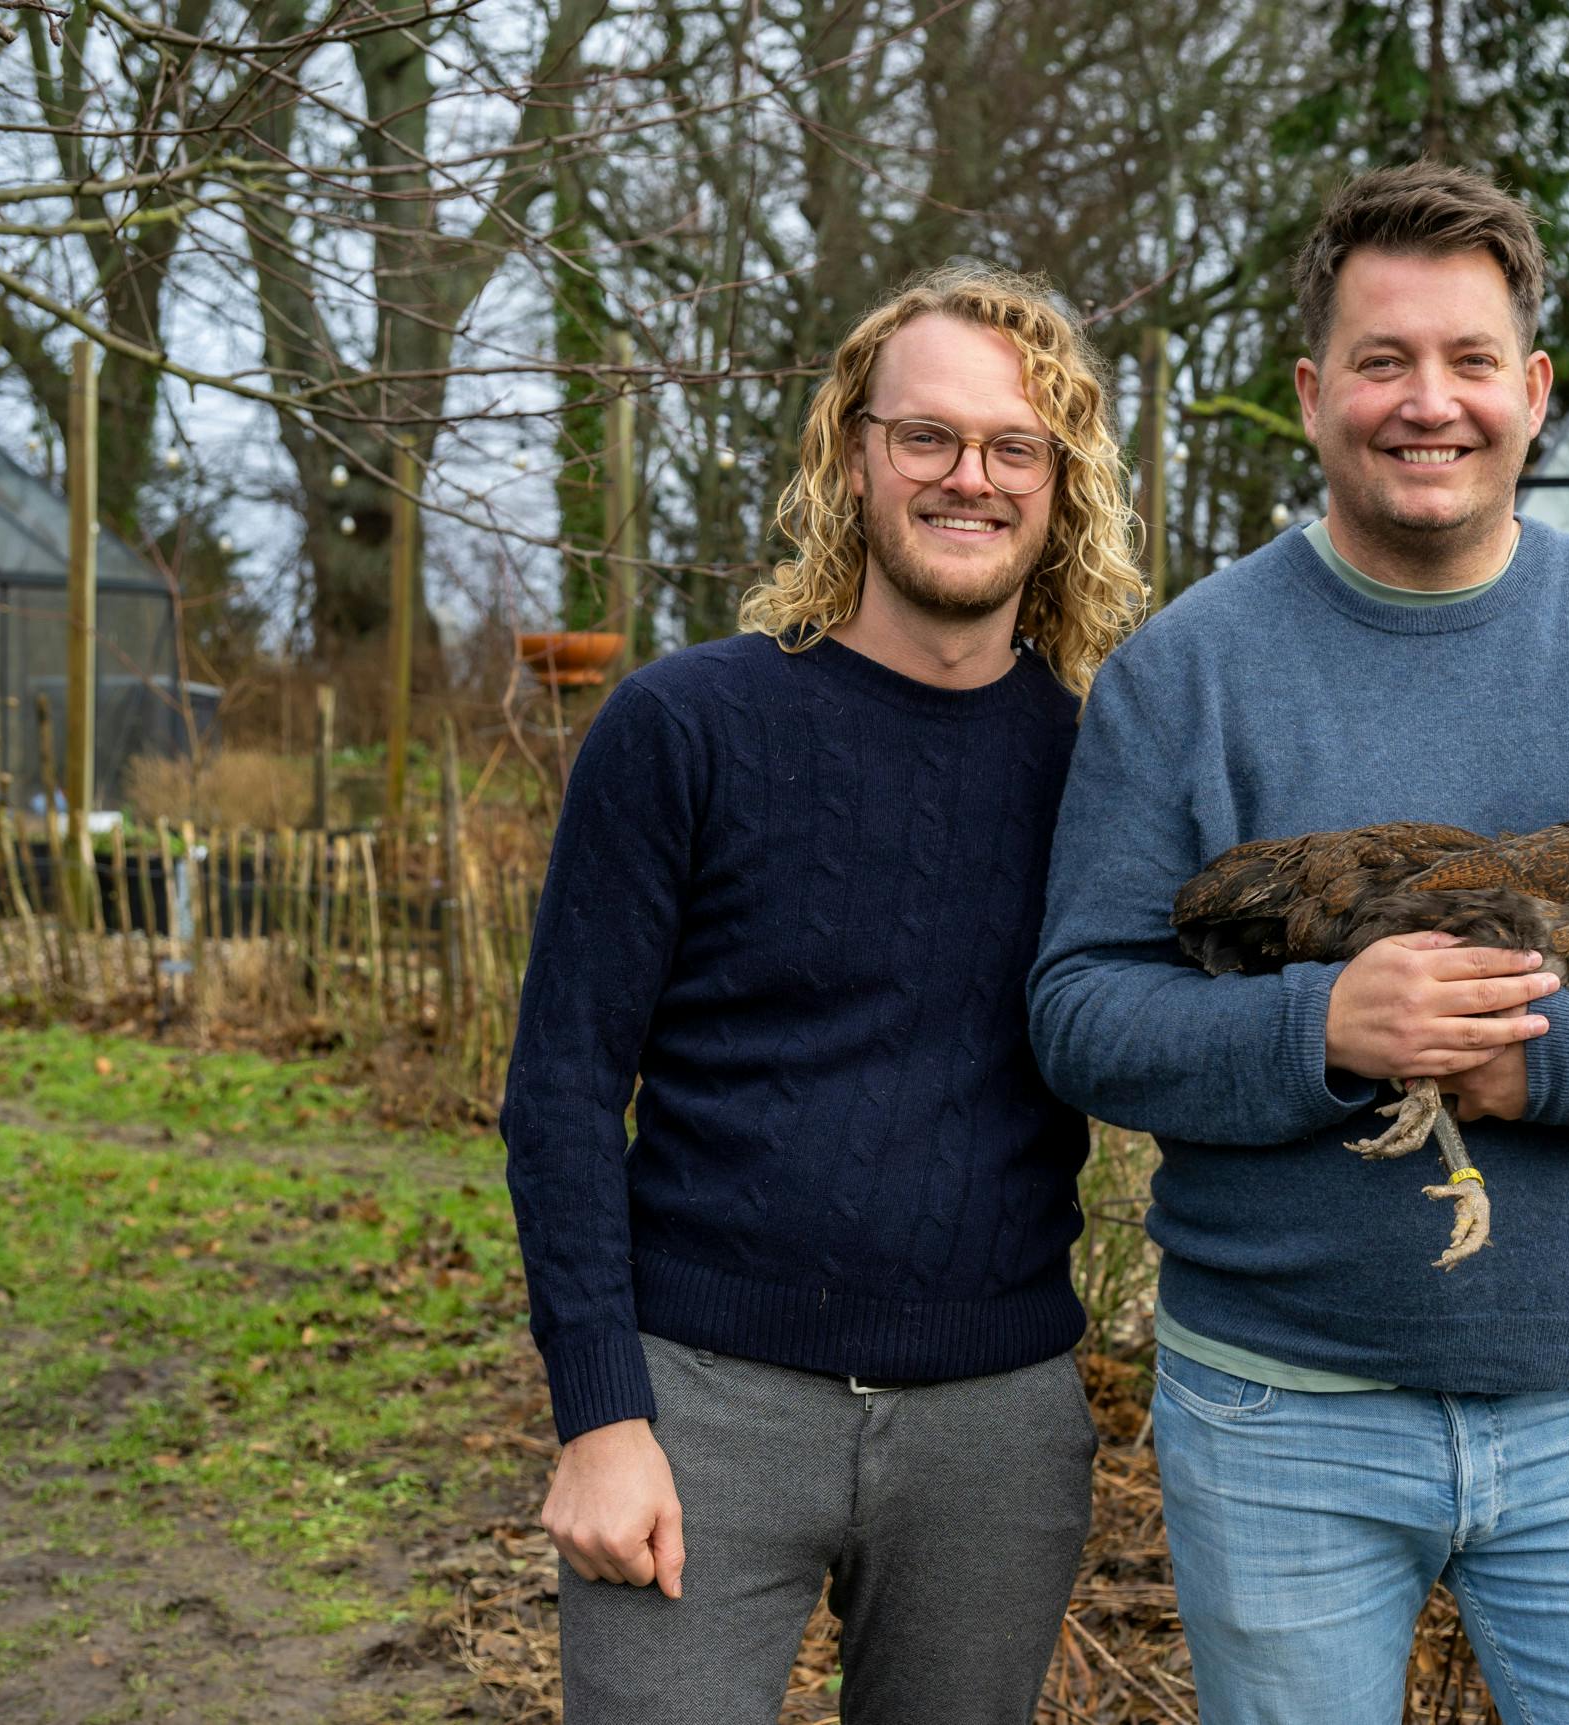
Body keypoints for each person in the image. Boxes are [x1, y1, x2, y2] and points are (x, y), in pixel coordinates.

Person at [1029, 163, 1569, 1723]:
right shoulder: (1183, 673)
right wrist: (1323, 1031)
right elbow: (1080, 1011)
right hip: (1281, 1415)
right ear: (1311, 392)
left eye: (1471, 361)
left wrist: (1548, 1062)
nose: (1432, 403)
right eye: (1383, 360)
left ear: (1533, 390)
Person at [502, 260, 1147, 1725]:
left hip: (994, 1425)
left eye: (1012, 446)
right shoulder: (684, 727)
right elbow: (556, 1091)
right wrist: (601, 1412)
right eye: (926, 435)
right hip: (700, 1402)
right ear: (852, 453)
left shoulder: (1105, 769)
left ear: (1059, 483)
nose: (966, 476)